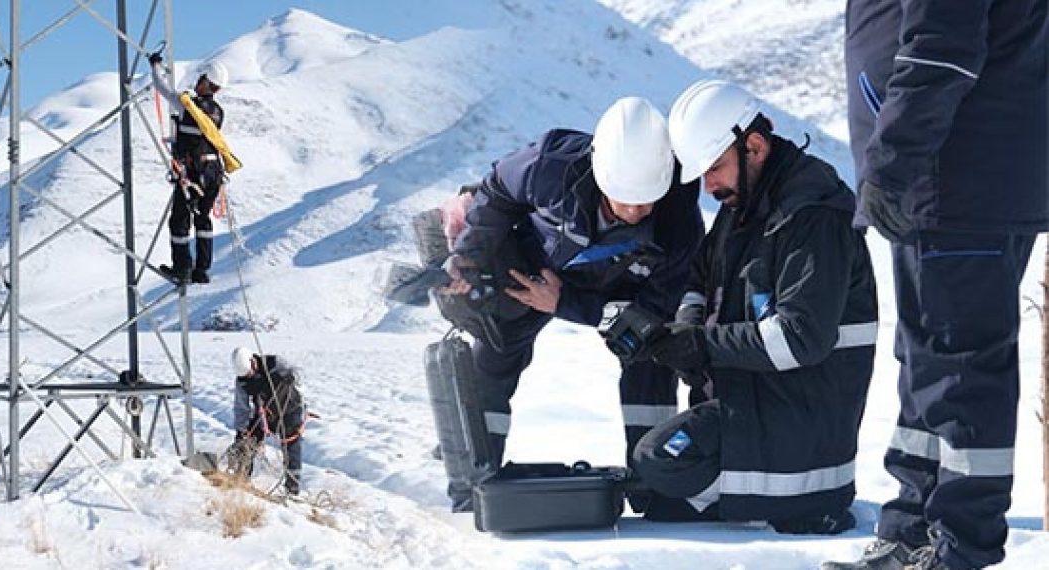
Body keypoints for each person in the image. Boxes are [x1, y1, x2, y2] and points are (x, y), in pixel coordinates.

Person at [824, 1, 1048, 568]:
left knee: (959, 367)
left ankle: (960, 546)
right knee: (928, 363)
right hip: (949, 182)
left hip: (956, 180)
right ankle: (913, 531)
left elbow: (942, 52)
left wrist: (892, 164)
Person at [601, 79, 877, 533]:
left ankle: (797, 506)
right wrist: (679, 336)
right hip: (754, 406)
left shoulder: (812, 215)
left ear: (753, 145)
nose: (709, 187)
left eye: (714, 169)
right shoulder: (744, 205)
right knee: (653, 480)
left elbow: (799, 338)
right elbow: (700, 279)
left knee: (659, 465)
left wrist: (701, 345)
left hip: (800, 431)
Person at [440, 96, 704, 511]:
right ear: (600, 175)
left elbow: (651, 313)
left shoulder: (680, 224)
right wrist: (469, 256)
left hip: (621, 291)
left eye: (646, 200)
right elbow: (496, 192)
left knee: (649, 360)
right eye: (623, 198)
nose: (635, 211)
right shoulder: (550, 164)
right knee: (495, 350)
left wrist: (565, 303)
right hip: (532, 267)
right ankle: (474, 485)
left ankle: (652, 486)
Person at [149, 52, 229, 284]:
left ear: (204, 81)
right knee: (203, 219)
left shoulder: (189, 107)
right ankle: (202, 270)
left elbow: (161, 88)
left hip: (192, 173)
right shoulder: (218, 112)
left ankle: (182, 268)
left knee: (180, 221)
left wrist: (155, 65)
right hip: (213, 173)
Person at [225, 346, 304, 495]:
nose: (249, 376)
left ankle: (292, 488)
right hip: (265, 414)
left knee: (291, 446)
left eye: (250, 372)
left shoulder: (274, 363)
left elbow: (296, 371)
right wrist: (242, 431)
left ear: (252, 361)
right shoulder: (242, 381)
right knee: (247, 441)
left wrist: (290, 376)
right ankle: (241, 478)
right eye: (246, 375)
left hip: (290, 409)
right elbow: (241, 408)